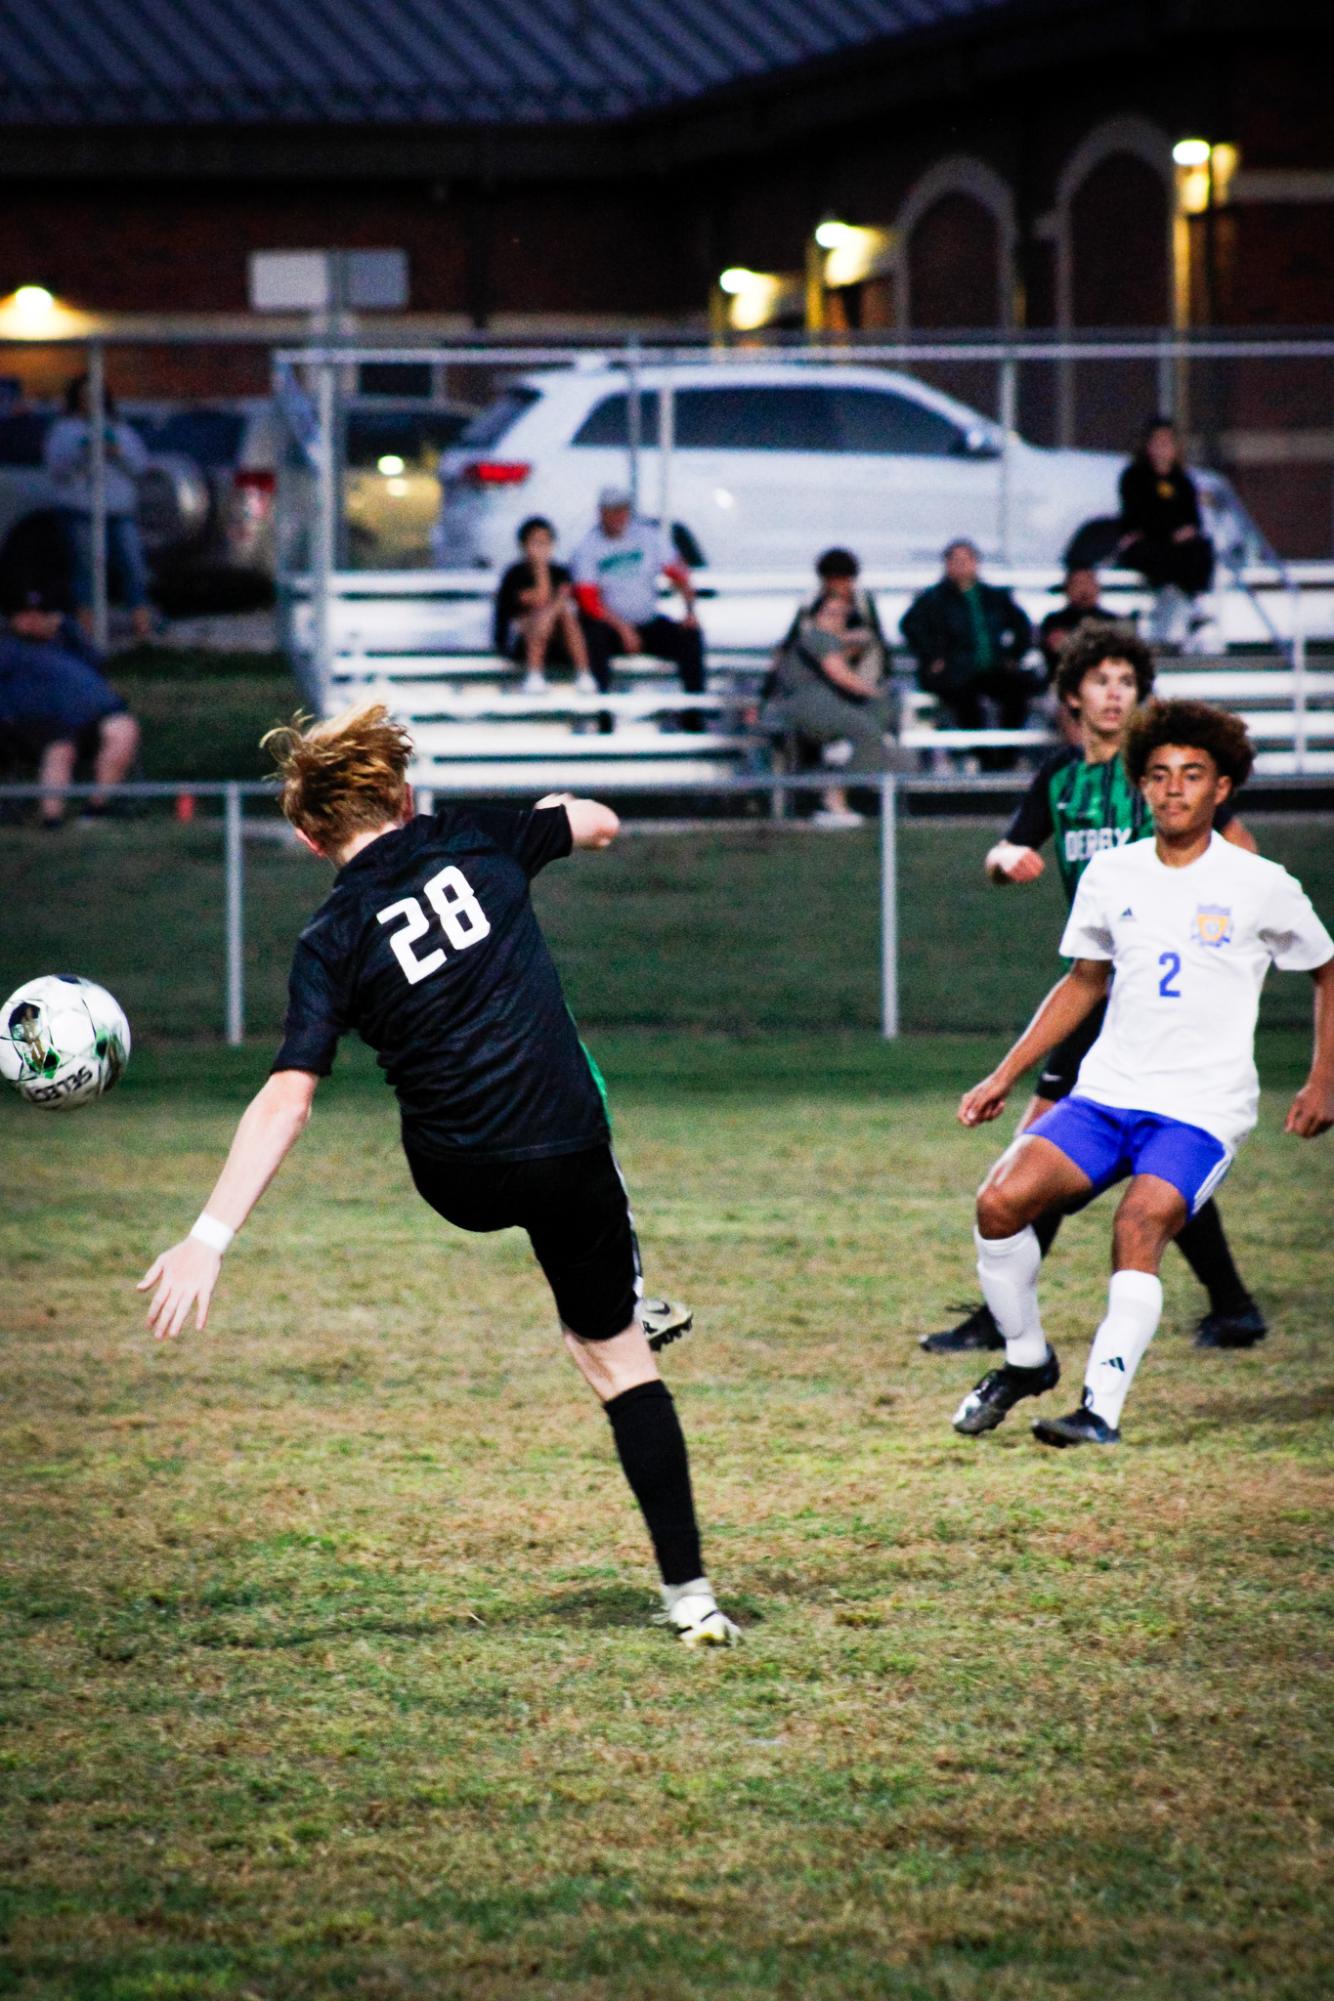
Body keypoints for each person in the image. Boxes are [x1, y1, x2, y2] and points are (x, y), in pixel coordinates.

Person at [136, 703, 738, 1648]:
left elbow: (287, 1101)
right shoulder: (477, 834)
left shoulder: (329, 938)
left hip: (457, 1171)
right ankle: (692, 1596)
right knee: (618, 1360)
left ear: (307, 837)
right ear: (406, 796)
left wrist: (208, 1236)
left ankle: (617, 1289)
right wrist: (553, 811)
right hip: (566, 1149)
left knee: (551, 1181)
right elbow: (601, 823)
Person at [950, 698, 1333, 1448]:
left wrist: (1324, 1079)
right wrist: (1003, 1074)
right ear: (1141, 785)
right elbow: (1083, 981)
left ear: (1222, 788)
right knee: (999, 1204)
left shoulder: (1259, 881)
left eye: (1192, 775)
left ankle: (1099, 1410)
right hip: (1109, 1092)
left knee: (1139, 1224)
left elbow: (1327, 968)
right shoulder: (1111, 873)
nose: (1173, 789)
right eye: (1158, 775)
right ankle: (1027, 1358)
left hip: (1201, 1107)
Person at [918, 623, 1265, 1358]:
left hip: (1155, 996)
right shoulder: (1060, 777)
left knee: (1080, 1153)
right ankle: (1229, 1306)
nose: (1115, 693)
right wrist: (1006, 857)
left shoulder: (1154, 774)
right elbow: (1005, 846)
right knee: (1093, 1152)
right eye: (1101, 680)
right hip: (1096, 988)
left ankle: (1004, 1318)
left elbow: (1239, 845)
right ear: (1073, 694)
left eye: (1127, 681)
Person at [762, 549, 892, 827]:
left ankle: (841, 767)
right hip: (819, 698)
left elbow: (872, 640)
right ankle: (835, 796)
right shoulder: (813, 627)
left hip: (839, 695)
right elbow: (836, 670)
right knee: (866, 732)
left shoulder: (862, 605)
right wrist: (871, 690)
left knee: (879, 720)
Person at [0, 581, 140, 827]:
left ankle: (96, 809)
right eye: (25, 615)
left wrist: (67, 629)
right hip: (38, 723)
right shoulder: (9, 649)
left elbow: (97, 663)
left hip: (90, 718)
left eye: (39, 614)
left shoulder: (67, 640)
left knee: (122, 729)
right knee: (60, 748)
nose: (33, 620)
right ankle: (51, 819)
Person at [899, 540, 1034, 765]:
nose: (961, 566)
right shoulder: (933, 599)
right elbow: (910, 626)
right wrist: (932, 656)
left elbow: (1023, 627)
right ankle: (985, 758)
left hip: (991, 669)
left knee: (1016, 694)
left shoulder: (994, 597)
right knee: (967, 703)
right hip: (955, 673)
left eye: (966, 560)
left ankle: (1007, 756)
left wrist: (1013, 656)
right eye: (956, 560)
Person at [43, 375, 154, 643]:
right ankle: (87, 633)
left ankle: (144, 630)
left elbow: (140, 466)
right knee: (86, 568)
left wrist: (115, 452)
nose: (90, 403)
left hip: (118, 509)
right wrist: (84, 452)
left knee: (132, 567)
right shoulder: (65, 430)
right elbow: (57, 469)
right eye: (84, 397)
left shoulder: (119, 429)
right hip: (80, 509)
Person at [571, 487, 705, 698]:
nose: (618, 517)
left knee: (689, 637)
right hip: (611, 626)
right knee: (593, 638)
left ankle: (694, 715)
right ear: (601, 513)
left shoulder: (648, 537)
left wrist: (689, 611)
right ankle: (603, 716)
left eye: (622, 510)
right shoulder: (587, 548)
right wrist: (623, 628)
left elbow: (678, 574)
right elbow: (588, 600)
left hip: (646, 622)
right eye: (611, 511)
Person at [1116, 417, 1216, 649]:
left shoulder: (1182, 480)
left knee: (1198, 551)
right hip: (1149, 544)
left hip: (1177, 546)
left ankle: (1183, 615)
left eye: (1168, 441)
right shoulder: (1134, 477)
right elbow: (1139, 516)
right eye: (1157, 441)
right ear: (1147, 445)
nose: (1163, 446)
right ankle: (1173, 623)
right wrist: (1167, 533)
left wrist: (1182, 532)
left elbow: (1193, 519)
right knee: (1162, 556)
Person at [492, 516, 594, 695]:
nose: (542, 547)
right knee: (539, 616)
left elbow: (564, 600)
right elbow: (537, 599)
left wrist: (550, 613)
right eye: (536, 542)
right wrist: (541, 568)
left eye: (546, 542)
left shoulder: (560, 572)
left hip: (559, 641)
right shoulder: (514, 574)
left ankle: (584, 674)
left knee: (565, 616)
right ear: (524, 545)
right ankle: (534, 674)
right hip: (523, 642)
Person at [1037, 565, 1116, 682]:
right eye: (1078, 583)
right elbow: (1057, 647)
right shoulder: (1054, 620)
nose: (1084, 589)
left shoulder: (1113, 620)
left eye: (1088, 582)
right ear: (1067, 588)